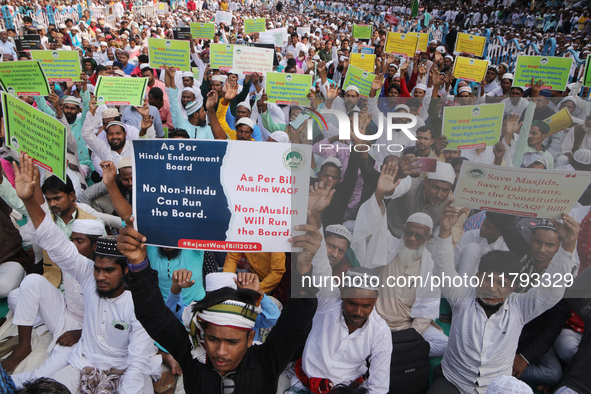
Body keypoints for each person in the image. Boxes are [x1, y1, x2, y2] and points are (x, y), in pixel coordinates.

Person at [117, 211, 321, 393]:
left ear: (250, 338)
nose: (221, 352)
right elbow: (153, 316)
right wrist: (138, 262)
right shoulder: (193, 356)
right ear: (202, 334)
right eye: (213, 339)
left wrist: (304, 267)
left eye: (232, 341)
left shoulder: (267, 362)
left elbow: (298, 320)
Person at [12, 154, 160, 394]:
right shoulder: (88, 278)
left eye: (109, 270)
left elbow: (137, 364)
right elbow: (56, 243)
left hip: (123, 373)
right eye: (97, 268)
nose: (100, 276)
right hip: (82, 364)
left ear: (124, 271)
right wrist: (30, 201)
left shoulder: (138, 304)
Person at [426, 200, 579, 394]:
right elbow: (442, 270)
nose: (492, 288)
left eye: (501, 283)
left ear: (512, 287)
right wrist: (445, 230)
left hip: (497, 386)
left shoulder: (519, 307)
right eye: (487, 280)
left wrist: (568, 245)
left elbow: (551, 290)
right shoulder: (462, 296)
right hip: (454, 380)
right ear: (477, 278)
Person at [352, 162, 447, 357]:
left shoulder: (430, 265)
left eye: (419, 236)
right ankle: (391, 350)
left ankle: (390, 349)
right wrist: (379, 195)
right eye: (409, 233)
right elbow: (373, 225)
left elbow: (424, 312)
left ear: (427, 239)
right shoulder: (387, 247)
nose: (412, 239)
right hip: (377, 322)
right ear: (403, 232)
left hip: (408, 327)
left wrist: (409, 336)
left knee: (445, 345)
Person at [6, 219, 102, 380]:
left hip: (88, 328)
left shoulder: (104, 273)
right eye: (72, 240)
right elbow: (45, 229)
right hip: (66, 312)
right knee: (24, 288)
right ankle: (23, 346)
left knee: (50, 370)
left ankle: (13, 383)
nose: (73, 245)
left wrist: (81, 333)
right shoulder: (70, 257)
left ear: (95, 246)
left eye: (79, 241)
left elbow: (110, 316)